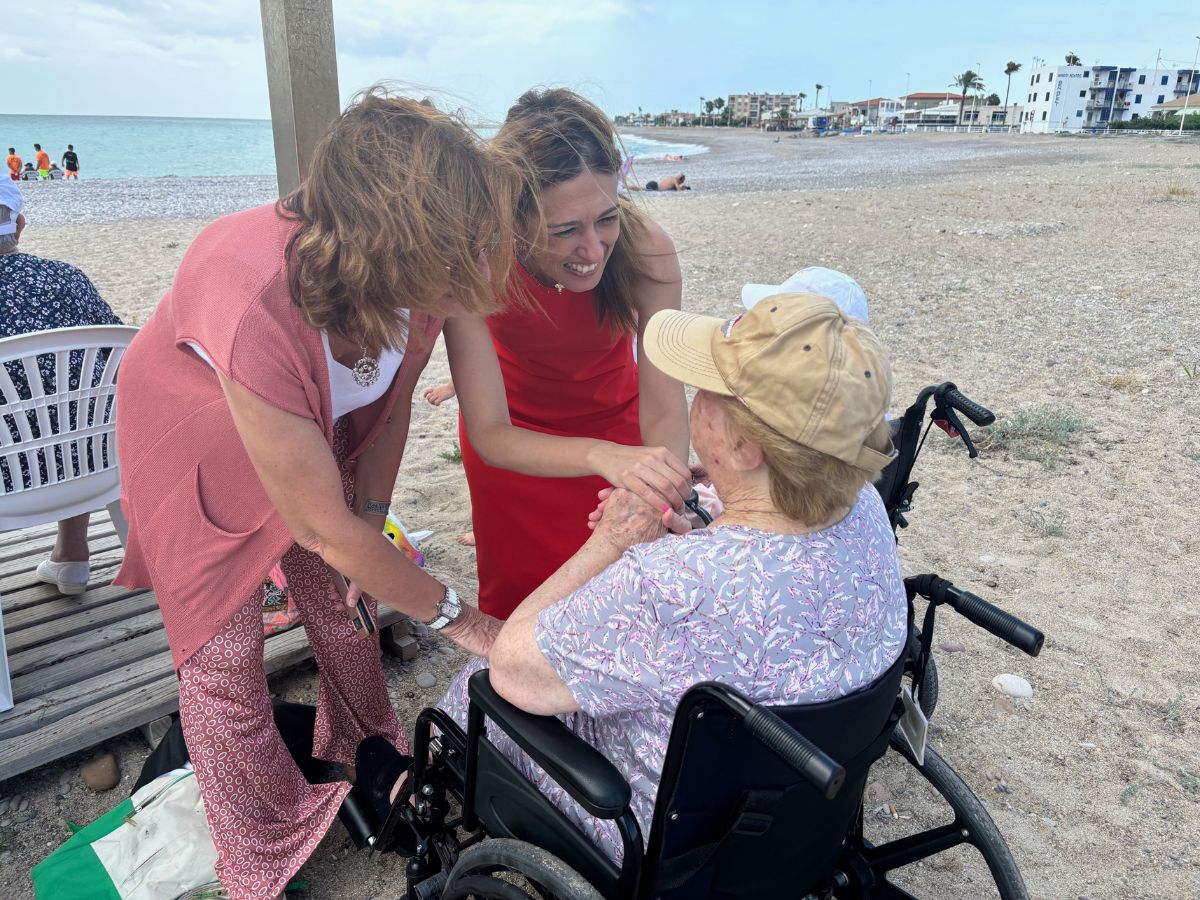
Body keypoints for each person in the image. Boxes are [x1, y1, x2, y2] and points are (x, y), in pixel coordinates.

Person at [112, 87, 687, 900]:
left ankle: (363, 743)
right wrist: (463, 619)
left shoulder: (425, 277)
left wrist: (374, 516)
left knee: (346, 603)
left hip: (308, 414)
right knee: (223, 656)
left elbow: (385, 409)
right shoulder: (251, 302)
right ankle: (257, 860)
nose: (494, 271)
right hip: (198, 432)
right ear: (399, 250)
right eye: (482, 251)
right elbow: (318, 524)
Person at [361, 291, 907, 860]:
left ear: (745, 446)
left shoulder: (671, 585)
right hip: (796, 802)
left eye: (710, 390)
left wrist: (612, 540)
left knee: (484, 669)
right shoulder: (863, 507)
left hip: (660, 833)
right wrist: (708, 507)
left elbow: (511, 667)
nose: (696, 399)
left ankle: (413, 792)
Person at [453, 88, 691, 620]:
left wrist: (659, 488)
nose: (593, 250)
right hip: (514, 448)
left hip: (624, 438)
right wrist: (596, 454)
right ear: (512, 218)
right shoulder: (476, 261)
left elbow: (665, 405)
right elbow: (490, 433)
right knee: (522, 613)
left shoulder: (646, 249)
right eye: (565, 230)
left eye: (605, 219)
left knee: (624, 607)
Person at [0, 180, 123, 594]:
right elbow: (125, 357)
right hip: (89, 464)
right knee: (70, 406)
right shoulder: (67, 279)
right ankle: (72, 552)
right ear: (18, 225)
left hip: (7, 483)